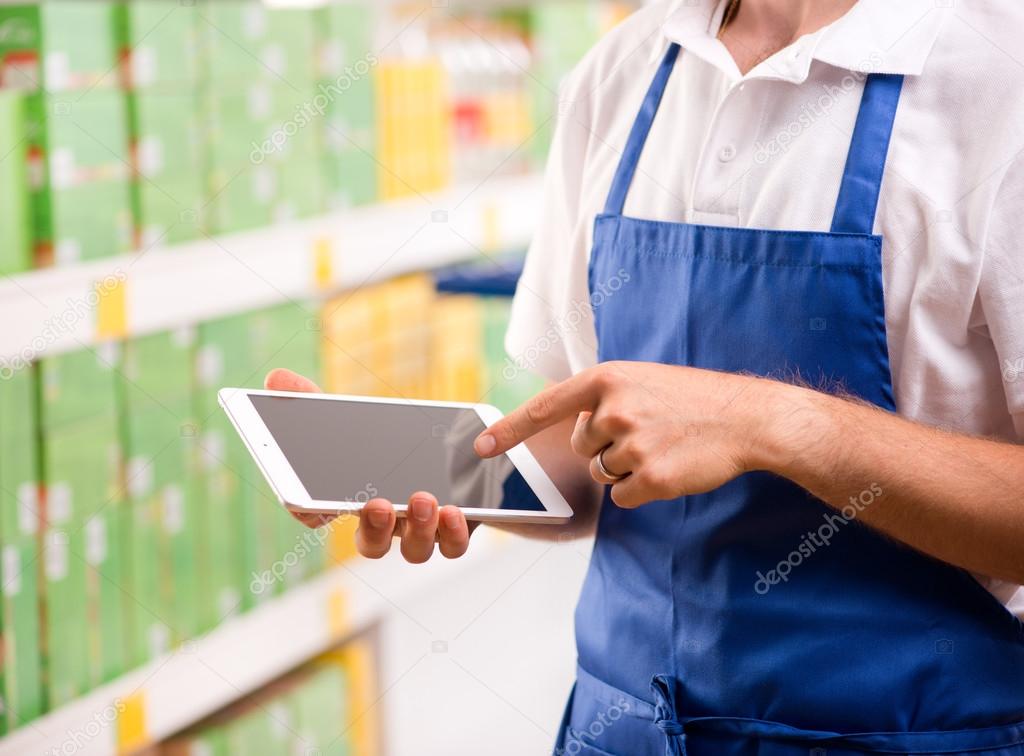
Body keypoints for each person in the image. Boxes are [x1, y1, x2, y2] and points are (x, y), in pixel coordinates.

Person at [268, 0, 1024, 752]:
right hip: (623, 727)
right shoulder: (623, 72)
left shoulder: (996, 78)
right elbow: (591, 442)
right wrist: (448, 468)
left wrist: (777, 426)